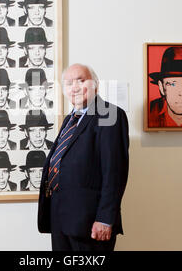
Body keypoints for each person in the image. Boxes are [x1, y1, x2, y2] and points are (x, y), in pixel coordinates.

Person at [37, 63, 129, 251]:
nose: (75, 87)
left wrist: (105, 218)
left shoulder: (109, 114)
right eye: (69, 83)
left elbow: (115, 173)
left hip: (90, 222)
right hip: (61, 218)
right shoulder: (70, 119)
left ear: (95, 84)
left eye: (81, 80)